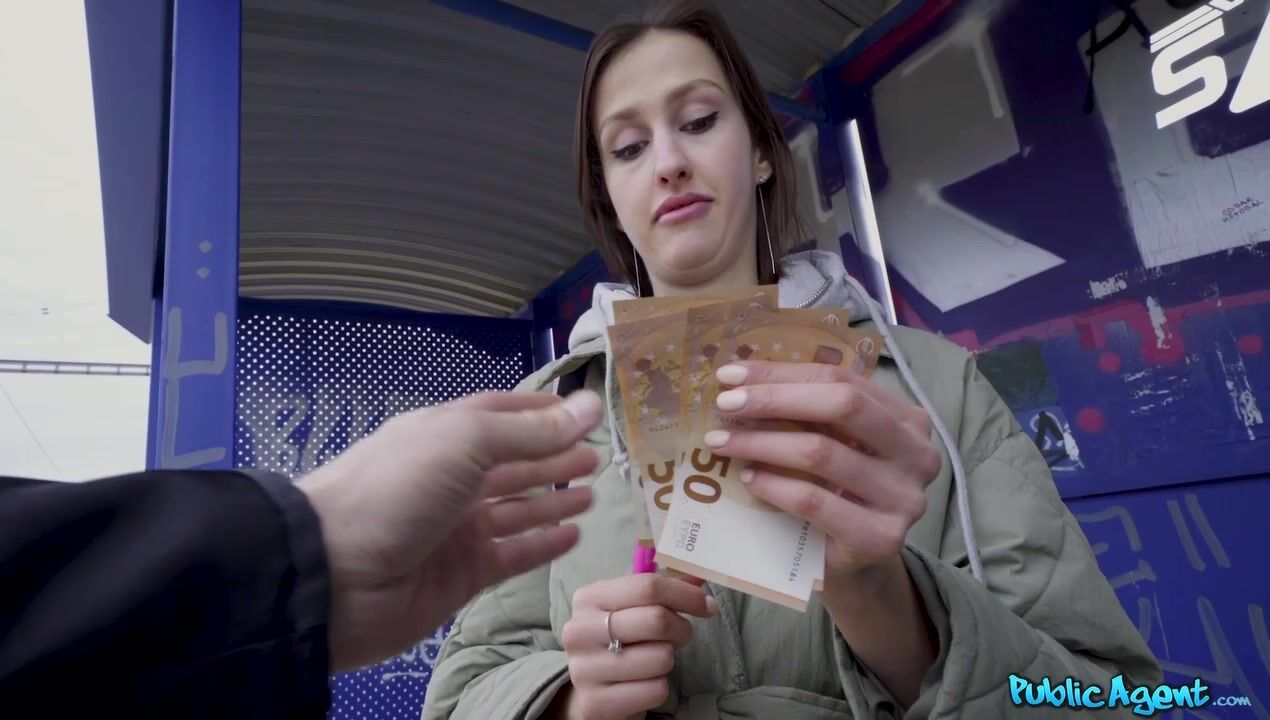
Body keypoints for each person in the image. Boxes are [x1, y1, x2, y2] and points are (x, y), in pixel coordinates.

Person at [421, 2, 1162, 719]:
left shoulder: (937, 385)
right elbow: (461, 693)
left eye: (699, 121)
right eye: (628, 148)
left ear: (762, 154)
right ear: (610, 198)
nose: (669, 162)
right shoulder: (548, 422)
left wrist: (886, 602)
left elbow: (1107, 697)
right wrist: (572, 702)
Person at [0, 388, 604, 717]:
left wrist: (312, 559)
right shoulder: (555, 390)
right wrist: (564, 697)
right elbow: (470, 682)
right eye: (627, 151)